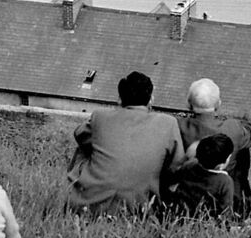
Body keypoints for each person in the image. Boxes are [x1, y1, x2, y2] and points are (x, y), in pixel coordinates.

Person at [66, 71, 184, 213]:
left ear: (120, 99)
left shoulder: (100, 116)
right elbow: (177, 166)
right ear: (150, 100)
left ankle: (76, 194)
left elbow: (80, 134)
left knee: (85, 150)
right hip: (139, 208)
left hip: (90, 207)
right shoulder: (168, 123)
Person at [179, 78, 251, 215]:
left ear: (188, 104)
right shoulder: (232, 127)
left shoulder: (177, 126)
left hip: (188, 197)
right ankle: (242, 199)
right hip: (224, 195)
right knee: (242, 151)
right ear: (218, 104)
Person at [171, 134, 234, 219]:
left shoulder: (190, 165)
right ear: (222, 163)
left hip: (181, 216)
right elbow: (226, 211)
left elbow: (176, 179)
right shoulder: (225, 181)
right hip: (206, 222)